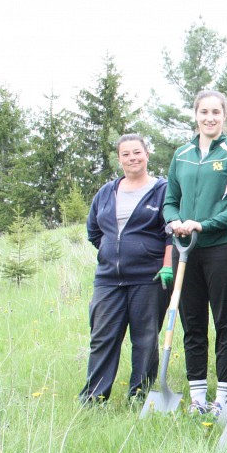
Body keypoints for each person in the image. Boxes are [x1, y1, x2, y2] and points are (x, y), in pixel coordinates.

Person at [163, 89, 227, 414]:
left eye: (216, 112)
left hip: (222, 248)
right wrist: (175, 222)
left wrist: (206, 224)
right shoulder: (182, 154)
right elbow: (170, 199)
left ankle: (225, 397)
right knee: (192, 322)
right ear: (196, 114)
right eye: (204, 112)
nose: (210, 117)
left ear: (225, 115)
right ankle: (198, 398)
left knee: (226, 324)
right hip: (186, 250)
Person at [81, 134, 171, 404]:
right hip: (109, 279)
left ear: (147, 154)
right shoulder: (106, 192)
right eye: (126, 154)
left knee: (145, 339)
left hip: (149, 277)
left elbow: (171, 234)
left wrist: (164, 263)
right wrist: (114, 252)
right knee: (102, 338)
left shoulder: (162, 189)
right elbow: (94, 231)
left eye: (137, 152)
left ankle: (139, 395)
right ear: (119, 159)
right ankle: (94, 397)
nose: (132, 158)